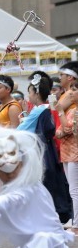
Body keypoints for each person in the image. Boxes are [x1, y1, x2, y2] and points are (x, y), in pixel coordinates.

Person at [17, 73, 72, 225]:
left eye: (30, 92)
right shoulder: (50, 106)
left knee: (43, 184)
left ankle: (45, 217)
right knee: (57, 183)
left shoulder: (38, 110)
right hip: (52, 147)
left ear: (36, 93)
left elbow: (21, 130)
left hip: (40, 151)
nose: (28, 95)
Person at [54, 78, 78, 235]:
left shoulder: (74, 111)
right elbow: (59, 131)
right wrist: (62, 130)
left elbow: (68, 129)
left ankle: (76, 225)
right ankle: (75, 221)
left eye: (75, 90)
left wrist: (60, 112)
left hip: (75, 152)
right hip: (66, 152)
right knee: (72, 190)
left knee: (75, 190)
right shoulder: (71, 110)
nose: (72, 93)